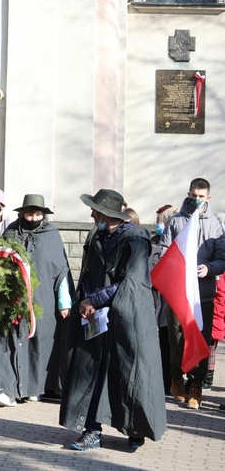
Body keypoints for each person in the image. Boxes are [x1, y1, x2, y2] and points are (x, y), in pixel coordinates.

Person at [60, 188, 166, 451]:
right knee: (92, 372)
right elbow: (86, 273)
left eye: (95, 210)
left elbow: (129, 283)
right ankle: (92, 430)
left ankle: (135, 429)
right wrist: (85, 300)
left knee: (129, 373)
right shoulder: (97, 236)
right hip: (96, 317)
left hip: (127, 317)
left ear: (107, 213)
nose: (91, 213)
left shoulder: (136, 240)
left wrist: (93, 300)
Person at [0, 195, 73, 407]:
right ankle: (7, 388)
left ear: (44, 215)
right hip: (12, 299)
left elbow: (62, 269)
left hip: (43, 298)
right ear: (22, 213)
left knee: (39, 342)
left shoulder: (52, 235)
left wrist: (64, 301)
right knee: (7, 340)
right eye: (29, 213)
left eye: (37, 213)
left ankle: (35, 388)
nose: (33, 217)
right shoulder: (11, 231)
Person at [160, 178, 225, 409]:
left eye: (201, 196)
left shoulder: (215, 225)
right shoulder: (176, 222)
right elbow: (164, 252)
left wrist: (210, 268)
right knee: (176, 339)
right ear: (188, 193)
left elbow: (222, 259)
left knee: (201, 340)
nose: (197, 199)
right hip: (179, 292)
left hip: (204, 294)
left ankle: (196, 386)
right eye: (194, 195)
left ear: (208, 197)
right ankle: (177, 379)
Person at [150, 203, 177, 395]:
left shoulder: (174, 242)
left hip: (170, 300)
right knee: (161, 344)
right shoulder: (153, 240)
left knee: (170, 343)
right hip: (157, 299)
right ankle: (162, 380)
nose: (157, 224)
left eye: (160, 221)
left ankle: (170, 381)